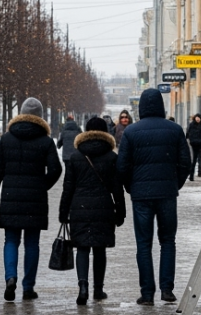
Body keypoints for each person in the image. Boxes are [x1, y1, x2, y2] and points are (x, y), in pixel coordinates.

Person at [117, 88, 190, 306]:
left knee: (143, 243)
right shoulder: (175, 130)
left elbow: (122, 166)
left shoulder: (131, 132)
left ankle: (147, 292)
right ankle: (167, 289)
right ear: (161, 105)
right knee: (168, 241)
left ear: (141, 107)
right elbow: (185, 162)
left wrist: (131, 187)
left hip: (141, 196)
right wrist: (175, 183)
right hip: (167, 193)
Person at [0, 97, 62, 302]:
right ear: (40, 116)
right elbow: (56, 169)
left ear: (20, 114)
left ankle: (11, 278)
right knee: (32, 243)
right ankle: (28, 288)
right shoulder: (46, 141)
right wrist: (41, 186)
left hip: (11, 197)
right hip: (35, 199)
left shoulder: (6, 139)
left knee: (11, 240)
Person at [59, 117, 127, 305]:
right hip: (103, 208)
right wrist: (120, 212)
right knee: (99, 249)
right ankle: (98, 289)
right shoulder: (112, 157)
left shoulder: (75, 157)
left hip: (79, 208)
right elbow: (117, 188)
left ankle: (83, 286)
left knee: (81, 248)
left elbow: (68, 188)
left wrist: (63, 212)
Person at [185, 114, 201, 180]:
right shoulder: (191, 125)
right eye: (197, 117)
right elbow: (187, 134)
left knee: (199, 159)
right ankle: (191, 175)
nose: (198, 119)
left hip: (199, 144)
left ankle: (199, 172)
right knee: (193, 160)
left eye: (199, 118)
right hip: (193, 144)